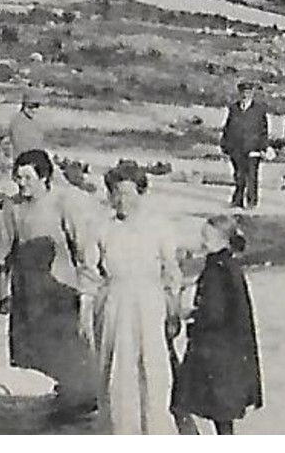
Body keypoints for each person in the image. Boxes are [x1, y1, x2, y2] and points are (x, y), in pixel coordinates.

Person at [80, 160, 185, 435]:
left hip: (150, 303)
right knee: (117, 370)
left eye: (128, 193)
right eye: (116, 193)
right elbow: (90, 274)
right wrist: (85, 309)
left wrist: (173, 309)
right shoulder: (100, 228)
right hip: (114, 304)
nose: (122, 200)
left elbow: (171, 272)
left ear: (141, 193)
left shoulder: (159, 226)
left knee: (153, 369)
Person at [0, 149, 99, 416]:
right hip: (25, 291)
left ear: (44, 177)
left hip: (59, 291)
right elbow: (3, 252)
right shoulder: (12, 206)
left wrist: (87, 292)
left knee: (62, 350)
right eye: (18, 178)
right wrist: (3, 292)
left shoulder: (63, 203)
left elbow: (84, 251)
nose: (22, 184)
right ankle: (33, 406)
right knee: (27, 350)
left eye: (27, 178)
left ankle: (74, 405)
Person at [171, 214, 263, 435]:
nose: (203, 243)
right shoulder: (226, 265)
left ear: (223, 241)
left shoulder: (218, 269)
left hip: (212, 351)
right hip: (227, 351)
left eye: (208, 238)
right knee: (221, 414)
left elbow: (214, 313)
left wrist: (190, 315)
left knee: (180, 403)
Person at [220, 81, 269, 210]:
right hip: (236, 147)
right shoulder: (234, 108)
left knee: (252, 176)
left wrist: (263, 148)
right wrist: (224, 145)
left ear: (252, 94)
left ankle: (252, 201)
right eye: (243, 93)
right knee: (239, 175)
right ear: (239, 93)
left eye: (248, 93)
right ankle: (238, 200)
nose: (245, 95)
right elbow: (228, 127)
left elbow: (264, 130)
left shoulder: (259, 110)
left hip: (253, 148)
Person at [7, 96, 49, 160]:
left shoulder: (36, 123)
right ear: (24, 106)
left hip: (36, 157)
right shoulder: (17, 121)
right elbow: (19, 147)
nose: (34, 110)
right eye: (30, 107)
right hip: (24, 159)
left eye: (36, 107)